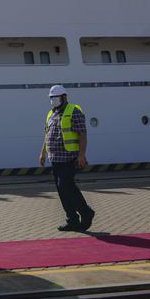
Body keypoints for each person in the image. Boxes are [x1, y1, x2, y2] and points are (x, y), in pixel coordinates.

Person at [40, 86, 94, 232]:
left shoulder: (73, 111)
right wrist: (43, 152)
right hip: (55, 159)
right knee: (61, 190)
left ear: (64, 97)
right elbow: (47, 135)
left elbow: (82, 134)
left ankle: (86, 212)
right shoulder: (51, 114)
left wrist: (82, 155)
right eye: (51, 98)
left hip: (69, 158)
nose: (53, 100)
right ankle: (72, 220)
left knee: (65, 186)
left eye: (55, 97)